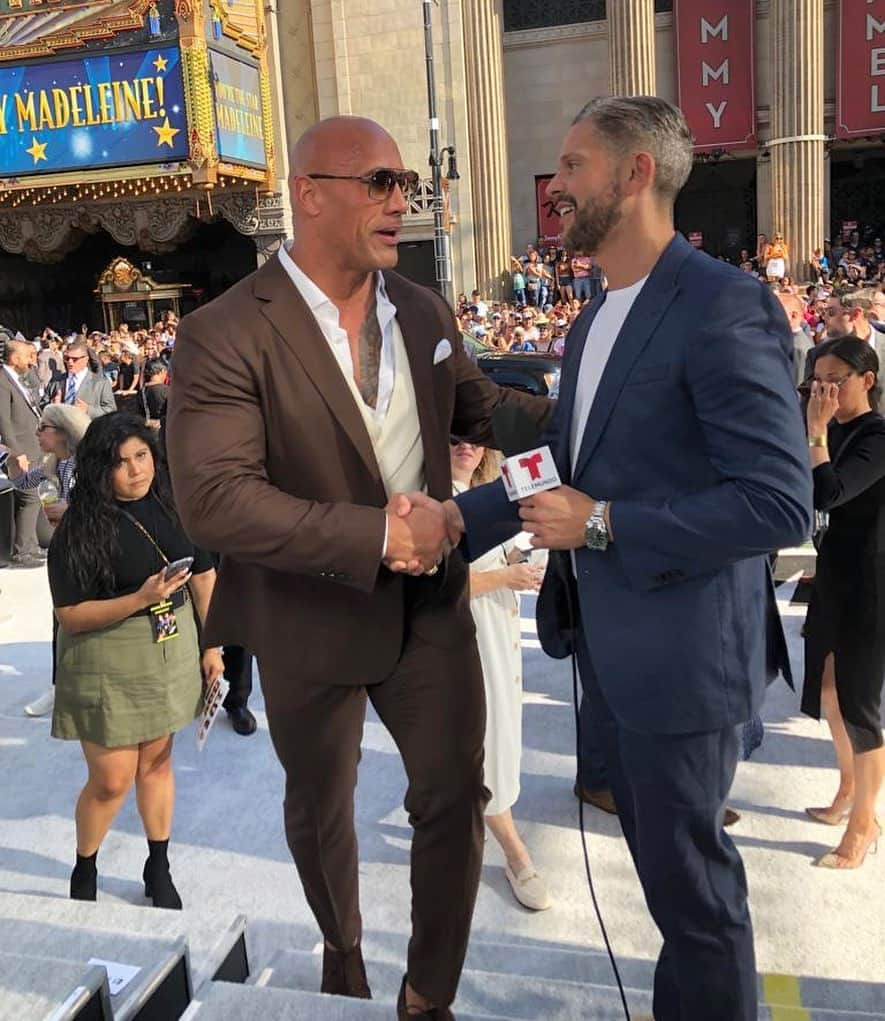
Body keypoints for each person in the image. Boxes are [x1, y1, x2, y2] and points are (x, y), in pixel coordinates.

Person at [426, 96, 812, 1021]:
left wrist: (602, 526)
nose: (555, 187)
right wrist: (454, 518)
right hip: (611, 651)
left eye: (573, 166)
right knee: (669, 892)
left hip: (683, 662)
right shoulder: (596, 316)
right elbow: (562, 465)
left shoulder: (722, 304)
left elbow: (775, 500)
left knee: (696, 902)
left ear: (637, 173)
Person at [165, 116, 549, 1020]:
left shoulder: (422, 310)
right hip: (306, 616)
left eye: (403, 182)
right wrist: (376, 535)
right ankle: (342, 950)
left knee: (455, 795)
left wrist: (601, 416)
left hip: (428, 612)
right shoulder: (223, 332)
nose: (398, 200)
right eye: (378, 180)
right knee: (321, 807)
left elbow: (482, 413)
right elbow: (215, 500)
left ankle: (426, 994)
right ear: (309, 193)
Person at [48, 413, 223, 908]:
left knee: (159, 764)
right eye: (121, 462)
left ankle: (158, 864)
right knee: (111, 780)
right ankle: (86, 866)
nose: (135, 470)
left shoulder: (172, 505)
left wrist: (213, 645)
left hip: (170, 651)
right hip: (107, 653)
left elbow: (205, 576)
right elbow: (71, 614)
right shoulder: (79, 528)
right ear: (100, 469)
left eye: (142, 456)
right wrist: (139, 599)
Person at [450, 440, 549, 910]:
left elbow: (508, 552)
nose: (465, 446)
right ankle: (515, 852)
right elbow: (434, 581)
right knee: (487, 745)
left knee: (503, 737)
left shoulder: (486, 491)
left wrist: (522, 567)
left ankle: (460, 826)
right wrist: (506, 579)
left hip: (500, 636)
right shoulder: (436, 500)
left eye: (472, 436)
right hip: (466, 642)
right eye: (453, 437)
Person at [801, 337, 885, 869]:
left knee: (860, 706)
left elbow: (830, 491)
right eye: (817, 381)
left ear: (867, 380)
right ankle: (848, 789)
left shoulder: (877, 436)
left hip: (871, 583)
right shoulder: (831, 429)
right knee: (829, 692)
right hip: (833, 574)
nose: (823, 391)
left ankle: (864, 823)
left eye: (835, 380)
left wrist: (815, 431)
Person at [7, 403, 91, 718]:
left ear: (63, 432)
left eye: (43, 428)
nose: (37, 433)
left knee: (87, 619)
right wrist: (13, 464)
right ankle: (59, 686)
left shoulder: (89, 464)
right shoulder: (55, 462)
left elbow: (106, 505)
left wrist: (69, 510)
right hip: (65, 551)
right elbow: (23, 483)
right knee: (61, 617)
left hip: (90, 553)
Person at [0, 338, 44, 567]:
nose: (32, 361)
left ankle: (31, 544)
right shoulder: (2, 381)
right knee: (29, 498)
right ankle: (22, 550)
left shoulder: (19, 379)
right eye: (28, 356)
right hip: (21, 450)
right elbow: (4, 422)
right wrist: (17, 453)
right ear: (14, 358)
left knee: (32, 498)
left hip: (32, 446)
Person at [46, 341, 116, 419]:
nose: (70, 362)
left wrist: (88, 410)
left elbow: (111, 411)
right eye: (67, 358)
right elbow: (42, 404)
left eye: (75, 359)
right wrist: (52, 406)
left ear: (86, 359)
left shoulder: (101, 382)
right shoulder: (56, 381)